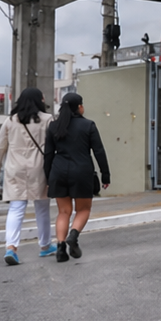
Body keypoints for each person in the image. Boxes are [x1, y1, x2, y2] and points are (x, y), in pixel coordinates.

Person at [0, 86, 55, 265]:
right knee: (42, 207)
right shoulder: (47, 119)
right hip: (39, 168)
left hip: (15, 169)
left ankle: (11, 247)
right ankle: (45, 245)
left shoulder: (10, 121)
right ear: (39, 100)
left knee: (16, 208)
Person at [43, 91, 111, 263]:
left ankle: (60, 247)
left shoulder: (54, 126)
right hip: (81, 171)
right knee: (83, 209)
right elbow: (99, 151)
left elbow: (48, 154)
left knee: (63, 212)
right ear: (79, 107)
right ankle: (73, 236)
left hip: (58, 171)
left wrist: (48, 177)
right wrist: (105, 175)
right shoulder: (88, 125)